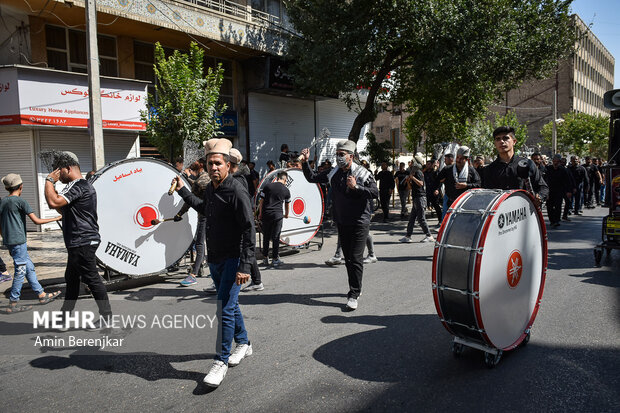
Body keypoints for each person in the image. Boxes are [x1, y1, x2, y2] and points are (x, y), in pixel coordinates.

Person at [173, 138, 254, 388]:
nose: (213, 167)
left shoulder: (236, 190)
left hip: (232, 259)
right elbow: (205, 209)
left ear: (228, 164)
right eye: (210, 164)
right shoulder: (211, 189)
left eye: (218, 163)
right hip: (215, 258)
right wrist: (182, 191)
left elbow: (249, 229)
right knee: (229, 304)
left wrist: (245, 266)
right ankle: (244, 343)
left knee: (224, 309)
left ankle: (220, 361)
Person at [300, 140, 378, 311]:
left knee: (356, 257)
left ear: (351, 156)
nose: (338, 157)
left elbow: (374, 192)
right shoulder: (333, 172)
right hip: (342, 221)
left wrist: (356, 187)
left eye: (342, 154)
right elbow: (312, 177)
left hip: (360, 222)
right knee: (348, 258)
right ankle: (356, 286)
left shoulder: (362, 172)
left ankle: (354, 293)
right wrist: (305, 162)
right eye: (337, 154)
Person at [44, 151, 112, 328]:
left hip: (82, 240)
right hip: (78, 241)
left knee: (92, 279)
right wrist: (55, 192)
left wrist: (49, 181)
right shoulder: (75, 187)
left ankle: (107, 318)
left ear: (68, 168)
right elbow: (62, 209)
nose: (57, 175)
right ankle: (64, 319)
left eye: (59, 171)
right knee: (72, 279)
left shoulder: (79, 185)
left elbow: (53, 203)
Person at [1, 174, 61, 313]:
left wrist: (5, 237)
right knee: (20, 271)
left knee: (29, 267)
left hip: (10, 241)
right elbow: (37, 221)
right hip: (19, 241)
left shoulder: (3, 202)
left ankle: (41, 294)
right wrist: (57, 217)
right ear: (21, 187)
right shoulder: (21, 202)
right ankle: (13, 303)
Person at [483, 126, 548, 204]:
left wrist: (539, 197)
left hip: (524, 212)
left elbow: (543, 187)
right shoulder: (489, 170)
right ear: (495, 144)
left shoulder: (528, 164)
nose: (501, 141)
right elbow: (486, 195)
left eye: (505, 138)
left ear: (514, 141)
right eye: (498, 139)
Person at [229, 148, 263, 292]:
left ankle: (255, 280)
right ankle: (257, 281)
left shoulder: (237, 180)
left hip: (240, 222)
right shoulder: (238, 177)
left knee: (245, 250)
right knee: (245, 250)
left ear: (229, 164)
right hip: (239, 222)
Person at [175, 158, 210, 287]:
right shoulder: (207, 177)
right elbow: (196, 184)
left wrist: (179, 214)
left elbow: (189, 200)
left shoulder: (200, 182)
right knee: (210, 243)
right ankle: (213, 269)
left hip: (204, 217)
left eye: (194, 161)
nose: (191, 163)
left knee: (200, 244)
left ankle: (193, 274)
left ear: (200, 164)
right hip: (213, 215)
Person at [257, 170, 290, 268]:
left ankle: (265, 257)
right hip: (277, 216)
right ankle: (275, 259)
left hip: (266, 214)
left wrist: (260, 214)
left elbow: (261, 202)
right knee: (276, 237)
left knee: (266, 236)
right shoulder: (286, 190)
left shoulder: (268, 186)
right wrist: (287, 215)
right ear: (284, 179)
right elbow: (287, 205)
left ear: (277, 177)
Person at [400, 158, 434, 243]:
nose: (410, 163)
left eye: (412, 162)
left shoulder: (418, 172)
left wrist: (412, 178)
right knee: (412, 219)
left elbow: (421, 183)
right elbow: (410, 187)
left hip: (420, 198)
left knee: (421, 218)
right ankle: (408, 236)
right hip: (415, 198)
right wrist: (408, 181)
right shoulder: (414, 173)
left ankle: (429, 235)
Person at [545, 154, 573, 227]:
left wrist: (569, 191)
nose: (555, 163)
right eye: (554, 161)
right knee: (549, 206)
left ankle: (557, 220)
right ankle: (552, 220)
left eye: (557, 161)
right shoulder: (548, 169)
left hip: (559, 191)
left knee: (558, 206)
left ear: (560, 162)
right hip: (549, 191)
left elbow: (568, 181)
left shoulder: (564, 170)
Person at [440, 152, 454, 220]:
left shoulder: (449, 168)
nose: (444, 161)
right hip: (448, 193)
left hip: (451, 194)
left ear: (451, 159)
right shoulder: (447, 168)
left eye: (446, 159)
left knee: (446, 210)